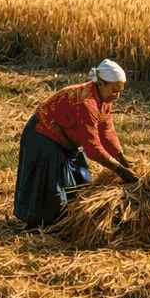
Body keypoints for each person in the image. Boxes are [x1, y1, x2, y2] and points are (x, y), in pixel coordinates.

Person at [14, 60, 136, 229]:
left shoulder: (105, 99)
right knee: (53, 188)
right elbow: (92, 148)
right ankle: (45, 225)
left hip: (68, 139)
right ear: (101, 83)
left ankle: (69, 219)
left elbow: (107, 131)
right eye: (115, 91)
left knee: (81, 181)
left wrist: (121, 157)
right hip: (44, 134)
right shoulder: (87, 103)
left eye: (120, 92)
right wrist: (119, 170)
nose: (117, 96)